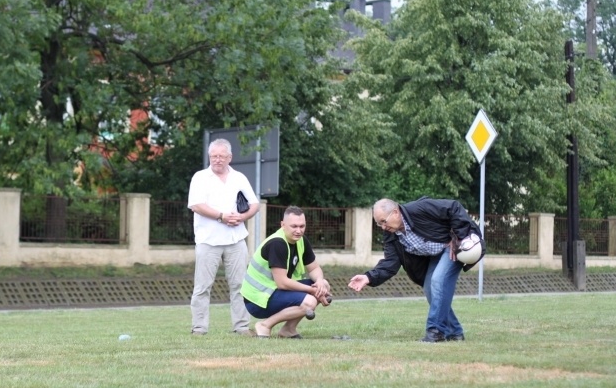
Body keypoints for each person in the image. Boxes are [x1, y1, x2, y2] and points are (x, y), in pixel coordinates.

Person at [348, 197, 485, 342]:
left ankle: (435, 332)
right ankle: (454, 332)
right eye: (378, 224)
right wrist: (368, 277)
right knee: (429, 288)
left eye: (383, 221)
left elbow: (453, 207)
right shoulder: (391, 235)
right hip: (434, 255)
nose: (382, 227)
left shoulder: (419, 209)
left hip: (451, 248)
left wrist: (459, 236)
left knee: (438, 280)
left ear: (395, 212)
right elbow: (390, 263)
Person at [188, 138, 260, 336]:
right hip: (207, 240)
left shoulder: (239, 177)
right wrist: (222, 216)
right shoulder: (200, 177)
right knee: (202, 286)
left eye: (221, 156)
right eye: (213, 156)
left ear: (230, 157)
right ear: (209, 156)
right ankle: (199, 327)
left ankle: (241, 326)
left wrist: (242, 216)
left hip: (236, 239)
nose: (217, 159)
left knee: (239, 285)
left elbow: (255, 203)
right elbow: (196, 205)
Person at [241, 206, 332, 339]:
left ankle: (288, 330)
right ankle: (264, 326)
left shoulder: (301, 240)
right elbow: (282, 283)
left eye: (302, 226)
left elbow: (314, 269)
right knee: (309, 302)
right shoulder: (277, 243)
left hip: (274, 291)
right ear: (283, 225)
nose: (298, 230)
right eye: (294, 226)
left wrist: (319, 283)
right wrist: (313, 291)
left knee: (324, 284)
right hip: (257, 300)